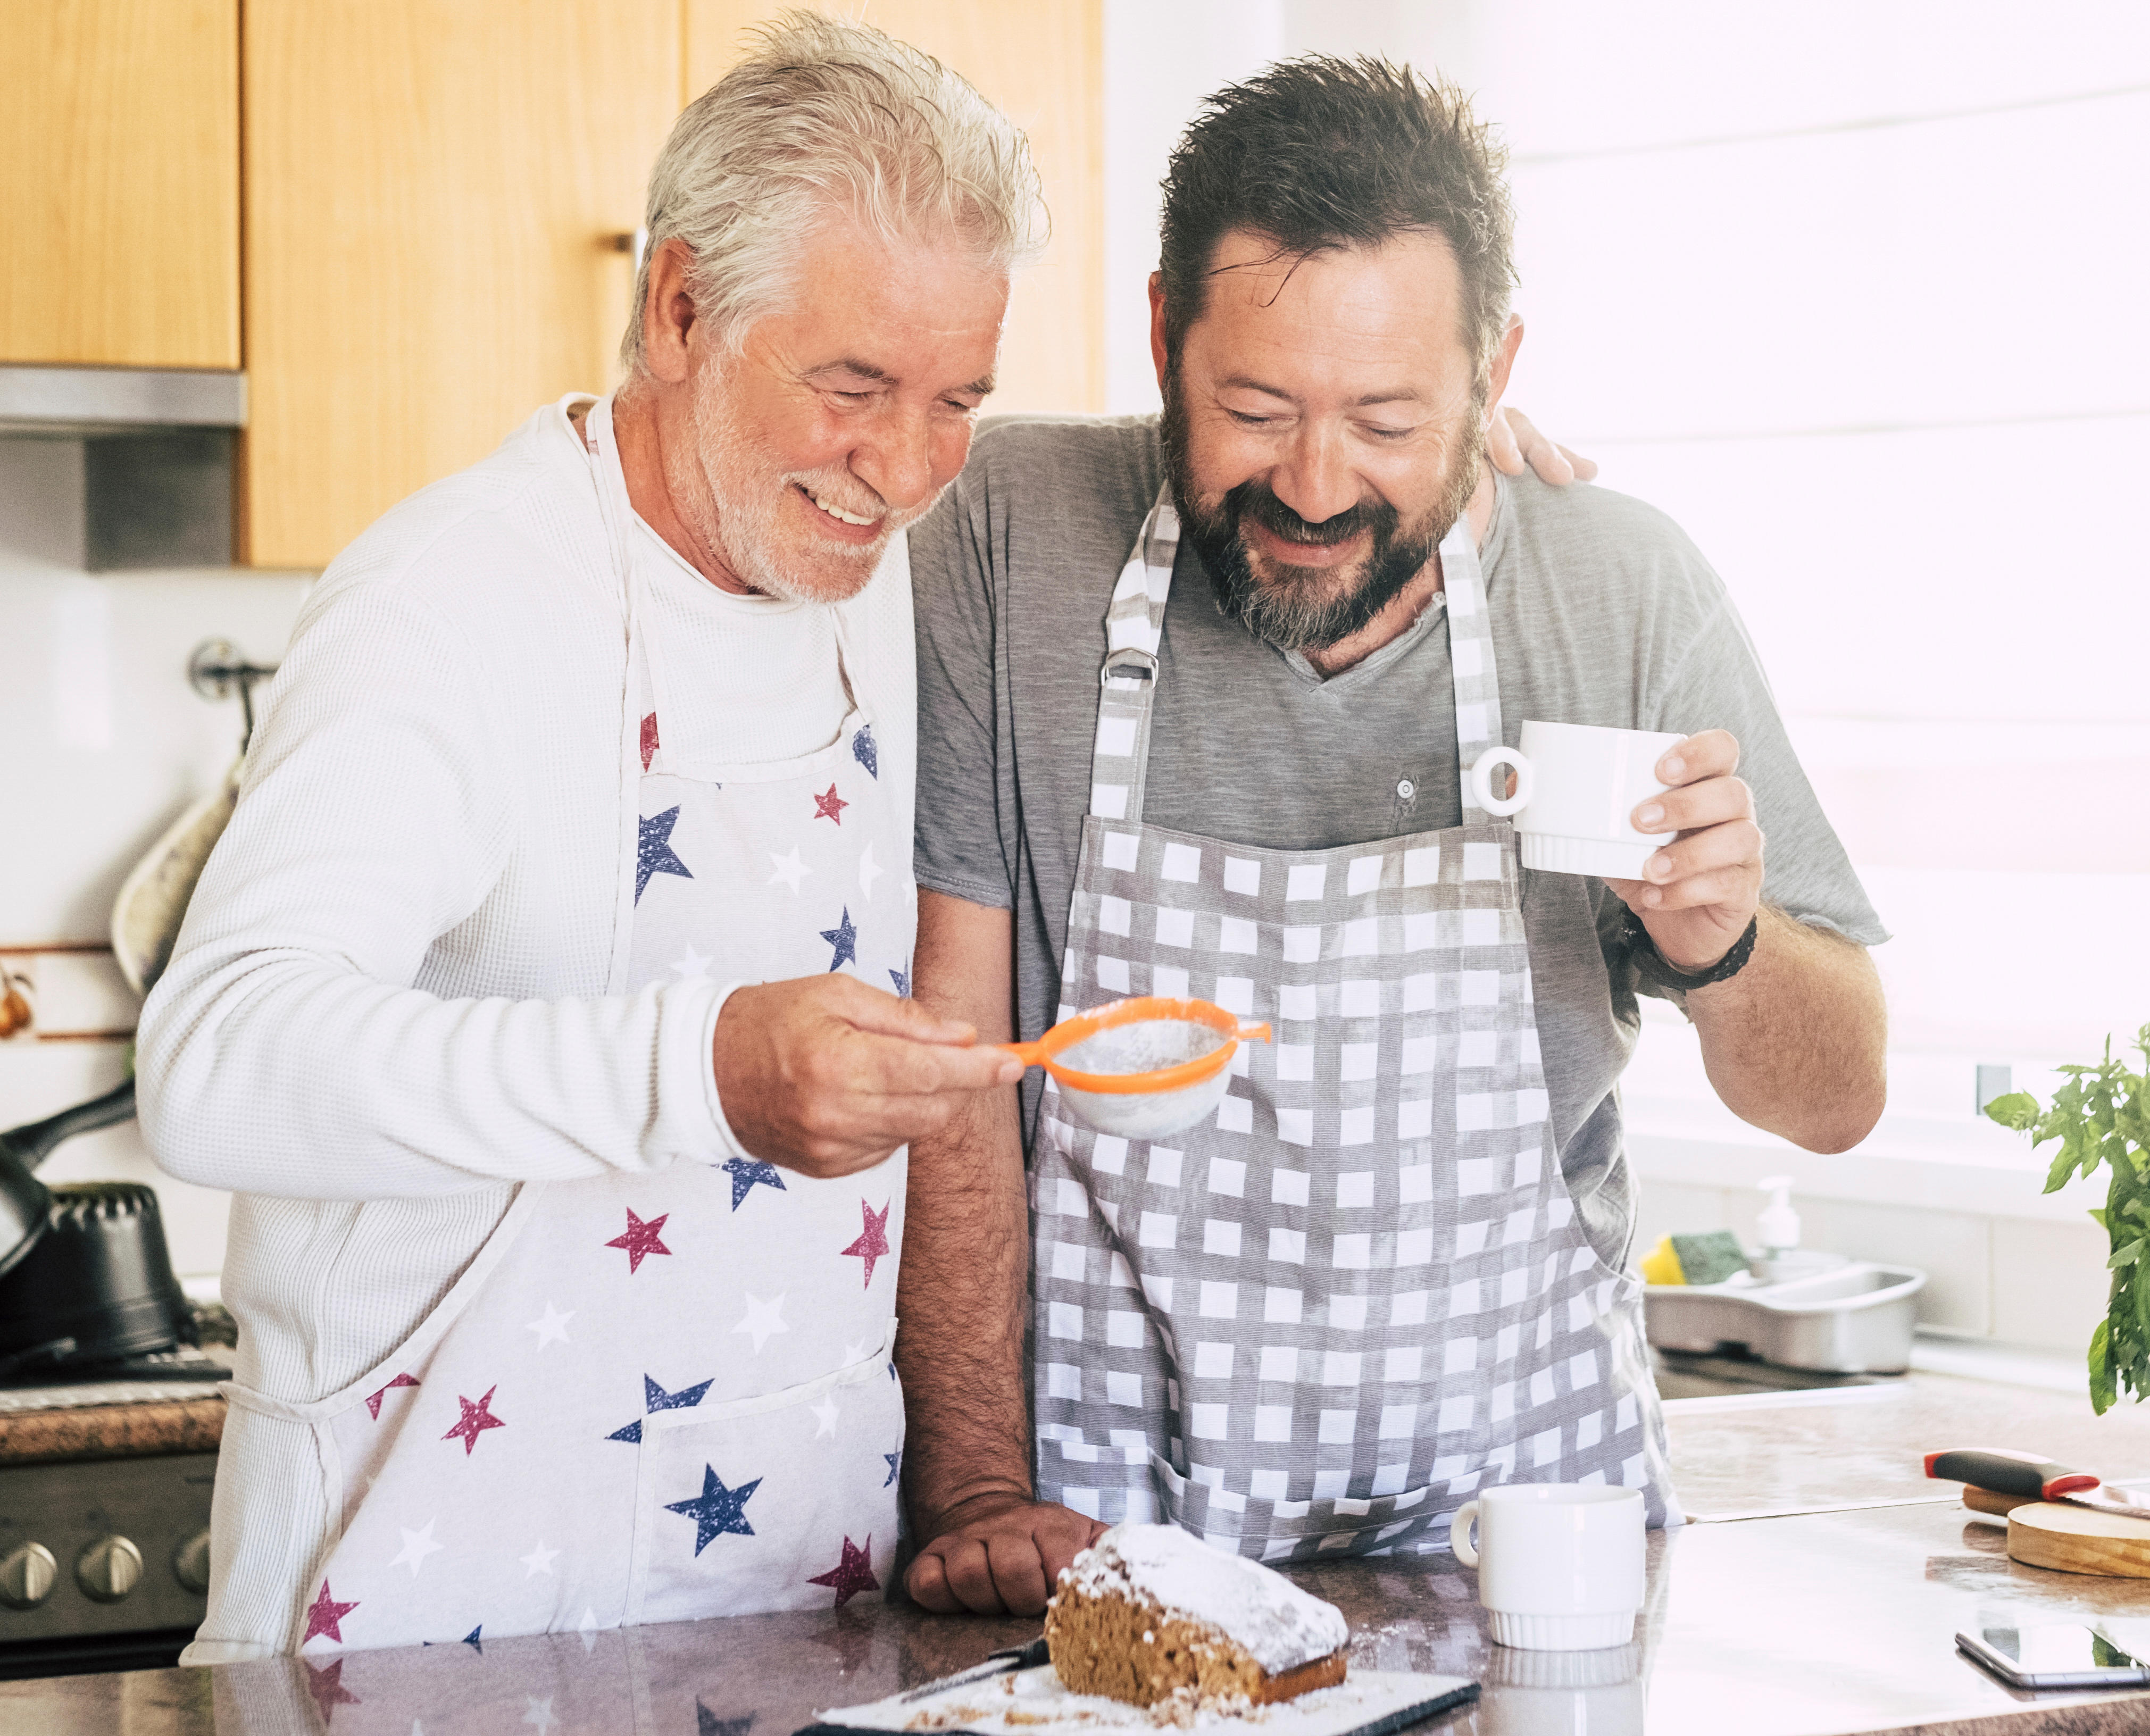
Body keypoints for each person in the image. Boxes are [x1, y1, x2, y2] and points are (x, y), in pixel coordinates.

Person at [139, 16, 1589, 1656]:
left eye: (957, 397)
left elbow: (1252, 461)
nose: (904, 468)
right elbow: (217, 1059)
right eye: (852, 388)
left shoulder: (900, 565)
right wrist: (699, 1072)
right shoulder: (454, 602)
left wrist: (1460, 444)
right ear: (679, 309)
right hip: (428, 1625)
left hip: (786, 1627)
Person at [904, 58, 1891, 1604]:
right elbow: (945, 1067)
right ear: (1164, 333)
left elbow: (1837, 1102)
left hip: (1527, 1567)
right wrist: (972, 1486)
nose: (1312, 482)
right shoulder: (1005, 531)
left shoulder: (1620, 590)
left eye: (1386, 416)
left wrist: (1729, 945)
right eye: (1252, 407)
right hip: (1112, 1566)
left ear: (1495, 371)